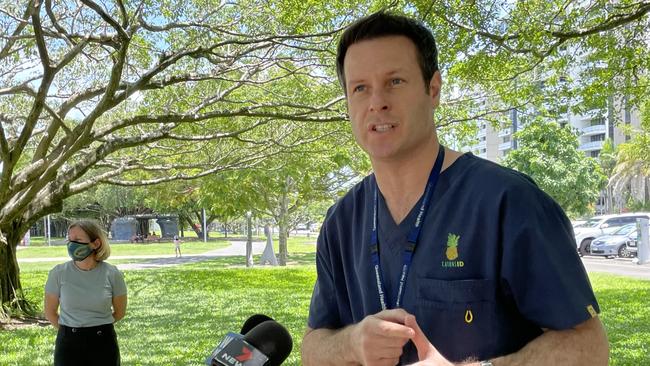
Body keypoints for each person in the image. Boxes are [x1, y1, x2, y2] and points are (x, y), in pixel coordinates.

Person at [301, 11, 609, 366]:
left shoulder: (506, 203)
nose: (377, 102)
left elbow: (588, 346)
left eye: (395, 81)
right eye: (360, 88)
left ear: (433, 90)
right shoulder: (341, 222)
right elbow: (313, 346)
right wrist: (352, 342)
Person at [44, 220, 128, 366]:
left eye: (77, 240)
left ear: (95, 243)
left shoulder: (112, 273)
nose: (71, 244)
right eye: (69, 240)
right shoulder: (58, 273)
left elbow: (119, 312)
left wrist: (97, 326)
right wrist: (71, 330)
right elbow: (50, 312)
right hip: (68, 344)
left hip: (104, 343)